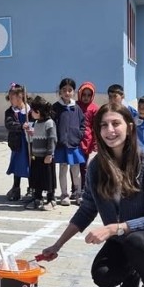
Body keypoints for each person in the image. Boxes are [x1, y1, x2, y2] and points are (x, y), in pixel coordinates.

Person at [41, 101, 144, 287]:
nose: (110, 130)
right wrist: (57, 245)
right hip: (123, 240)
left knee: (136, 241)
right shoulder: (97, 166)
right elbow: (86, 209)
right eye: (103, 125)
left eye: (116, 123)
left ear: (129, 126)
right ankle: (133, 272)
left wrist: (112, 229)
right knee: (103, 275)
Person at [51, 77, 87, 206]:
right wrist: (56, 139)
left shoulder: (76, 108)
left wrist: (79, 135)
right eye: (64, 90)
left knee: (76, 170)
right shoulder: (55, 107)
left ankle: (78, 193)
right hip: (61, 145)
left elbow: (83, 124)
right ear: (60, 92)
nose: (67, 92)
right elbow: (52, 125)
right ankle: (64, 194)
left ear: (74, 92)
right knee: (62, 169)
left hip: (74, 144)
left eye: (70, 90)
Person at [24, 95, 57, 211]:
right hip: (36, 156)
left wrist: (49, 154)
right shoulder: (37, 123)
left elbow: (52, 139)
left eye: (32, 110)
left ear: (38, 111)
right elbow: (32, 138)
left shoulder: (49, 123)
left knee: (48, 179)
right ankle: (37, 198)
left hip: (46, 157)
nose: (31, 112)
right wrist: (28, 132)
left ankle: (51, 199)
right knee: (37, 178)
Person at [3, 83, 31, 202]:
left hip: (30, 143)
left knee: (31, 165)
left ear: (21, 97)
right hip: (18, 143)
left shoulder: (30, 110)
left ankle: (32, 188)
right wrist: (21, 126)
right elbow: (9, 124)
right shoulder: (10, 112)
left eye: (13, 97)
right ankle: (16, 188)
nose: (11, 100)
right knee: (17, 165)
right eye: (10, 97)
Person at [75, 81, 99, 191]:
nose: (86, 97)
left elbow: (96, 127)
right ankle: (74, 189)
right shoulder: (74, 105)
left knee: (84, 167)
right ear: (80, 94)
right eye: (84, 94)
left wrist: (95, 143)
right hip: (74, 140)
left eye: (89, 95)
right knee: (74, 166)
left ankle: (84, 188)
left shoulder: (94, 108)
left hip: (87, 141)